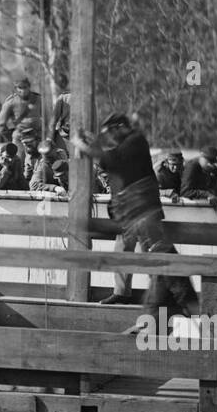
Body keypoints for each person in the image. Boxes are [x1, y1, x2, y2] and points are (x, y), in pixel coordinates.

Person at [70, 113, 195, 311]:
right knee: (125, 251)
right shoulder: (126, 145)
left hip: (143, 211)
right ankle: (123, 293)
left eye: (109, 132)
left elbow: (110, 160)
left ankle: (176, 300)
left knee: (154, 253)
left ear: (120, 127)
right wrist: (90, 146)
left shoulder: (136, 141)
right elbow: (109, 159)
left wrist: (82, 145)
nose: (109, 137)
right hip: (131, 212)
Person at [0, 77, 42, 144]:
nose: (23, 90)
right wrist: (9, 137)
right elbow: (1, 123)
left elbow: (49, 119)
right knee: (18, 154)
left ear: (29, 87)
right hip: (20, 136)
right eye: (20, 88)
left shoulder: (39, 99)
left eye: (25, 87)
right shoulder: (11, 102)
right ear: (16, 89)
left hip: (38, 135)